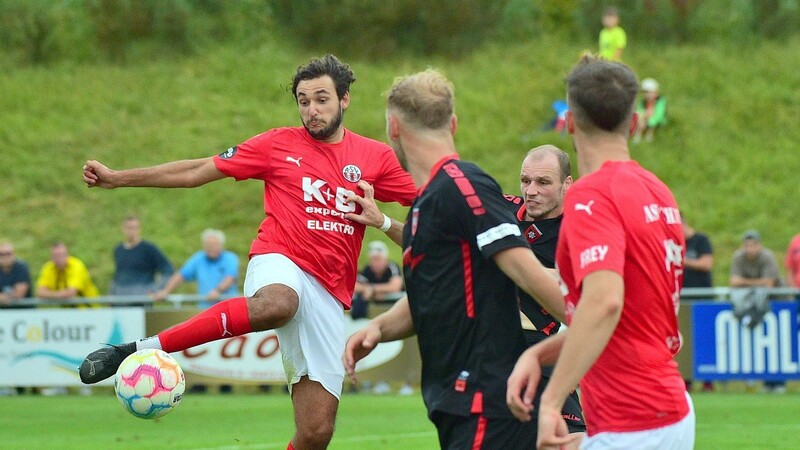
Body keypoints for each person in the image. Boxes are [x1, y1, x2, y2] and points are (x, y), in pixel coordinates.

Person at [79, 54, 416, 450]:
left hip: (328, 291)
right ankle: (138, 350)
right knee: (278, 303)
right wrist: (118, 179)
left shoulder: (374, 157)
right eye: (303, 101)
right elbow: (197, 171)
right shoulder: (277, 144)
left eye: (321, 99)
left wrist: (383, 221)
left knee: (316, 432)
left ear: (345, 100)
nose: (312, 110)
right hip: (280, 259)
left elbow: (433, 208)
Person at [343, 69, 567, 449]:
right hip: (457, 404)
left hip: (486, 401)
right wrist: (379, 327)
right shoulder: (428, 202)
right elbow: (440, 295)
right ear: (454, 123)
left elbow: (527, 272)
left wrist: (607, 330)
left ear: (393, 128)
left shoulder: (462, 185)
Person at [507, 56, 694, 450]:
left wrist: (551, 400)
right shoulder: (657, 190)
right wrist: (538, 355)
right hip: (666, 406)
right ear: (635, 122)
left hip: (634, 417)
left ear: (570, 122)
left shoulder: (591, 197)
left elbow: (604, 303)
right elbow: (626, 320)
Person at [504, 144, 586, 447]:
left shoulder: (577, 230)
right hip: (491, 346)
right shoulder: (500, 211)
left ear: (567, 184)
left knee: (571, 438)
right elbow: (433, 242)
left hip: (542, 344)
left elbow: (586, 292)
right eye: (526, 181)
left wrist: (523, 268)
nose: (531, 191)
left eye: (543, 183)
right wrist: (383, 222)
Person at [730, 229, 785, 394]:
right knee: (755, 342)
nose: (750, 248)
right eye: (747, 245)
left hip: (777, 304)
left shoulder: (767, 257)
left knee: (777, 344)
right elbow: (733, 281)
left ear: (759, 245)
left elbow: (769, 283)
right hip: (755, 304)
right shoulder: (738, 257)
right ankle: (760, 379)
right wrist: (757, 284)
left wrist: (745, 283)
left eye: (753, 245)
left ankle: (778, 381)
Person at [152, 228, 239, 310]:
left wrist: (217, 291)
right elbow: (181, 275)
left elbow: (230, 278)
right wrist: (166, 291)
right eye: (208, 245)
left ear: (221, 245)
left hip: (227, 309)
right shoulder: (199, 258)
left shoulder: (230, 258)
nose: (211, 248)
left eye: (214, 245)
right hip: (205, 309)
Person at [681, 219, 715, 392]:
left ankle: (708, 381)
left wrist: (682, 260)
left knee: (705, 339)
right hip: (682, 298)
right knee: (684, 341)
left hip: (703, 298)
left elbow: (706, 263)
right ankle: (686, 379)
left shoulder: (701, 240)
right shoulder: (676, 242)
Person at [110, 215, 174, 295]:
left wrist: (154, 289)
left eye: (135, 228)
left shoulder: (149, 249)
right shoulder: (118, 249)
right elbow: (118, 275)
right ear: (123, 229)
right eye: (129, 228)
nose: (132, 231)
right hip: (120, 300)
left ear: (139, 229)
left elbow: (168, 270)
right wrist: (112, 294)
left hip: (140, 299)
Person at [351, 240, 403, 320]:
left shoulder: (392, 267)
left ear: (385, 259)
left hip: (395, 306)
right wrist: (368, 290)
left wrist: (373, 289)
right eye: (373, 260)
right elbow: (354, 286)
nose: (376, 263)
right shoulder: (368, 269)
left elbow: (395, 286)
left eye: (379, 259)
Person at [35, 241, 100, 300]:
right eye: (55, 256)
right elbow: (39, 292)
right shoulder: (49, 268)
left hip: (89, 309)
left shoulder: (76, 266)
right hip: (68, 310)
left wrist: (50, 294)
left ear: (67, 255)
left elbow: (71, 293)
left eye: (61, 255)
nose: (58, 259)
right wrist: (59, 295)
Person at [633, 78, 667, 144]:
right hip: (645, 117)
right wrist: (643, 117)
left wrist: (648, 116)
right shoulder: (643, 102)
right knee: (640, 121)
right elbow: (639, 111)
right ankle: (638, 135)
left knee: (651, 121)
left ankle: (649, 135)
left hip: (656, 118)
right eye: (644, 92)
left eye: (648, 92)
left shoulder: (660, 102)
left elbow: (659, 114)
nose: (646, 95)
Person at [0, 241, 32, 307]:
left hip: (23, 311)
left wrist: (3, 297)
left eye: (8, 254)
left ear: (14, 254)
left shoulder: (21, 267)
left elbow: (19, 294)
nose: (5, 257)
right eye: (2, 254)